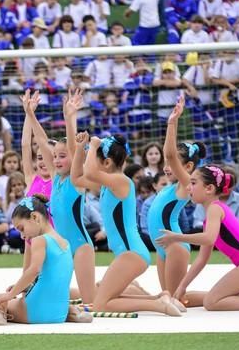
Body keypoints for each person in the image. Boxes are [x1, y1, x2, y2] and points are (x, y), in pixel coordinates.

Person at [78, 133, 183, 316]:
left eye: (95, 159)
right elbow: (77, 177)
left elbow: (89, 172)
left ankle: (158, 305)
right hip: (128, 253)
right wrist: (81, 149)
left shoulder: (121, 181)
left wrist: (93, 145)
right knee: (107, 297)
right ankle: (160, 297)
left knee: (101, 304)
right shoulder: (108, 184)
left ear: (108, 163)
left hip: (131, 253)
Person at [157, 165, 239, 311]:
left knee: (211, 303)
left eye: (193, 183)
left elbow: (209, 239)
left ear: (209, 189)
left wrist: (176, 237)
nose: (188, 188)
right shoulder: (211, 217)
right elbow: (201, 259)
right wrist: (181, 287)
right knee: (187, 297)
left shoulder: (215, 208)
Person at [31, 89, 97, 304]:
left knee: (91, 303)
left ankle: (136, 293)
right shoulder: (55, 178)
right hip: (62, 248)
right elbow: (41, 140)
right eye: (55, 157)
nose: (57, 160)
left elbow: (72, 148)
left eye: (62, 157)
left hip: (81, 248)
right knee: (55, 294)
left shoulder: (75, 180)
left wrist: (70, 116)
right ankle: (112, 287)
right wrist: (30, 114)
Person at [0, 195, 90, 325]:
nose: (22, 236)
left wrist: (10, 294)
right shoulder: (66, 243)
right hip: (59, 313)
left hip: (34, 311)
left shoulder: (39, 240)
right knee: (20, 293)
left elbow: (34, 270)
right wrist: (25, 287)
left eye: (21, 228)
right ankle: (72, 312)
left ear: (34, 217)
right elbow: (55, 278)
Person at [147, 95, 206, 294]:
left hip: (175, 246)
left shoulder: (186, 183)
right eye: (165, 164)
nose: (166, 167)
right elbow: (171, 157)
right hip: (163, 246)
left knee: (174, 299)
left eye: (171, 164)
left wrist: (172, 123)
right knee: (168, 297)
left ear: (188, 166)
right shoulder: (168, 187)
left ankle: (212, 297)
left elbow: (171, 154)